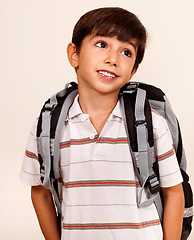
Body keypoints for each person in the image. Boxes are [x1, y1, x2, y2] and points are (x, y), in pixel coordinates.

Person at [20, 7, 184, 240]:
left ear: (133, 70)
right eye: (101, 44)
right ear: (73, 54)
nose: (112, 59)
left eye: (126, 52)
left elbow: (174, 192)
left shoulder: (151, 124)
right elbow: (39, 192)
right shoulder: (47, 127)